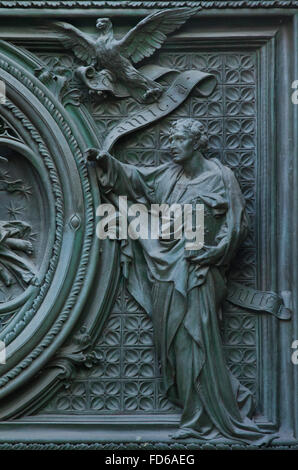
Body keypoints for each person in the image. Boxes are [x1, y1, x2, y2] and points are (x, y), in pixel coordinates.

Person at [86, 118, 274, 444]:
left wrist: (215, 253)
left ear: (196, 142)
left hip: (199, 273)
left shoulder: (220, 177)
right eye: (169, 139)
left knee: (194, 340)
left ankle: (201, 418)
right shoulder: (167, 174)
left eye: (178, 139)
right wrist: (107, 162)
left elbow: (237, 224)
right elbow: (135, 179)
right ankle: (202, 406)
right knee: (173, 344)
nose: (171, 144)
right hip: (166, 271)